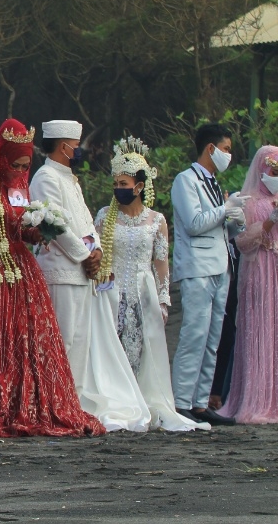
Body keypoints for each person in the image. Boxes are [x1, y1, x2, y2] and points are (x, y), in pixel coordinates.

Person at [0, 119, 104, 437]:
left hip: (21, 271)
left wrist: (40, 229)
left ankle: (30, 400)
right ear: (2, 160)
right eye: (15, 165)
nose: (20, 172)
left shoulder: (19, 187)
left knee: (29, 341)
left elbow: (23, 228)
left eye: (24, 166)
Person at [30, 120, 149, 432]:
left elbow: (84, 221)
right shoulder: (45, 177)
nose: (79, 151)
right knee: (64, 342)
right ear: (62, 146)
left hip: (82, 272)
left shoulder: (71, 178)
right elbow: (54, 225)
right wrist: (85, 255)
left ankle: (75, 404)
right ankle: (56, 407)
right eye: (75, 145)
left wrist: (96, 251)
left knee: (80, 343)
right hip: (61, 270)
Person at [94, 137, 208, 431]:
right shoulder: (105, 217)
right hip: (111, 293)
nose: (119, 188)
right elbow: (96, 255)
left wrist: (163, 299)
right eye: (116, 183)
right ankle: (118, 401)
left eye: (124, 183)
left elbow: (161, 263)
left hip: (143, 292)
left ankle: (142, 401)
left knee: (142, 349)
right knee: (112, 349)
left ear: (140, 186)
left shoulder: (156, 221)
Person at [170, 123, 244, 426]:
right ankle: (180, 400)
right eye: (226, 149)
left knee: (213, 337)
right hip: (197, 266)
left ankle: (200, 402)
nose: (229, 155)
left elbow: (217, 225)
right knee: (194, 334)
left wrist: (234, 220)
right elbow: (194, 223)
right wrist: (226, 209)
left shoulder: (212, 181)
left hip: (220, 264)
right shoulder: (185, 180)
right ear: (210, 148)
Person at [221, 145, 278, 423]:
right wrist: (271, 220)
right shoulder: (250, 202)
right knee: (260, 327)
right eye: (273, 170)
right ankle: (256, 397)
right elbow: (243, 241)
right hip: (260, 270)